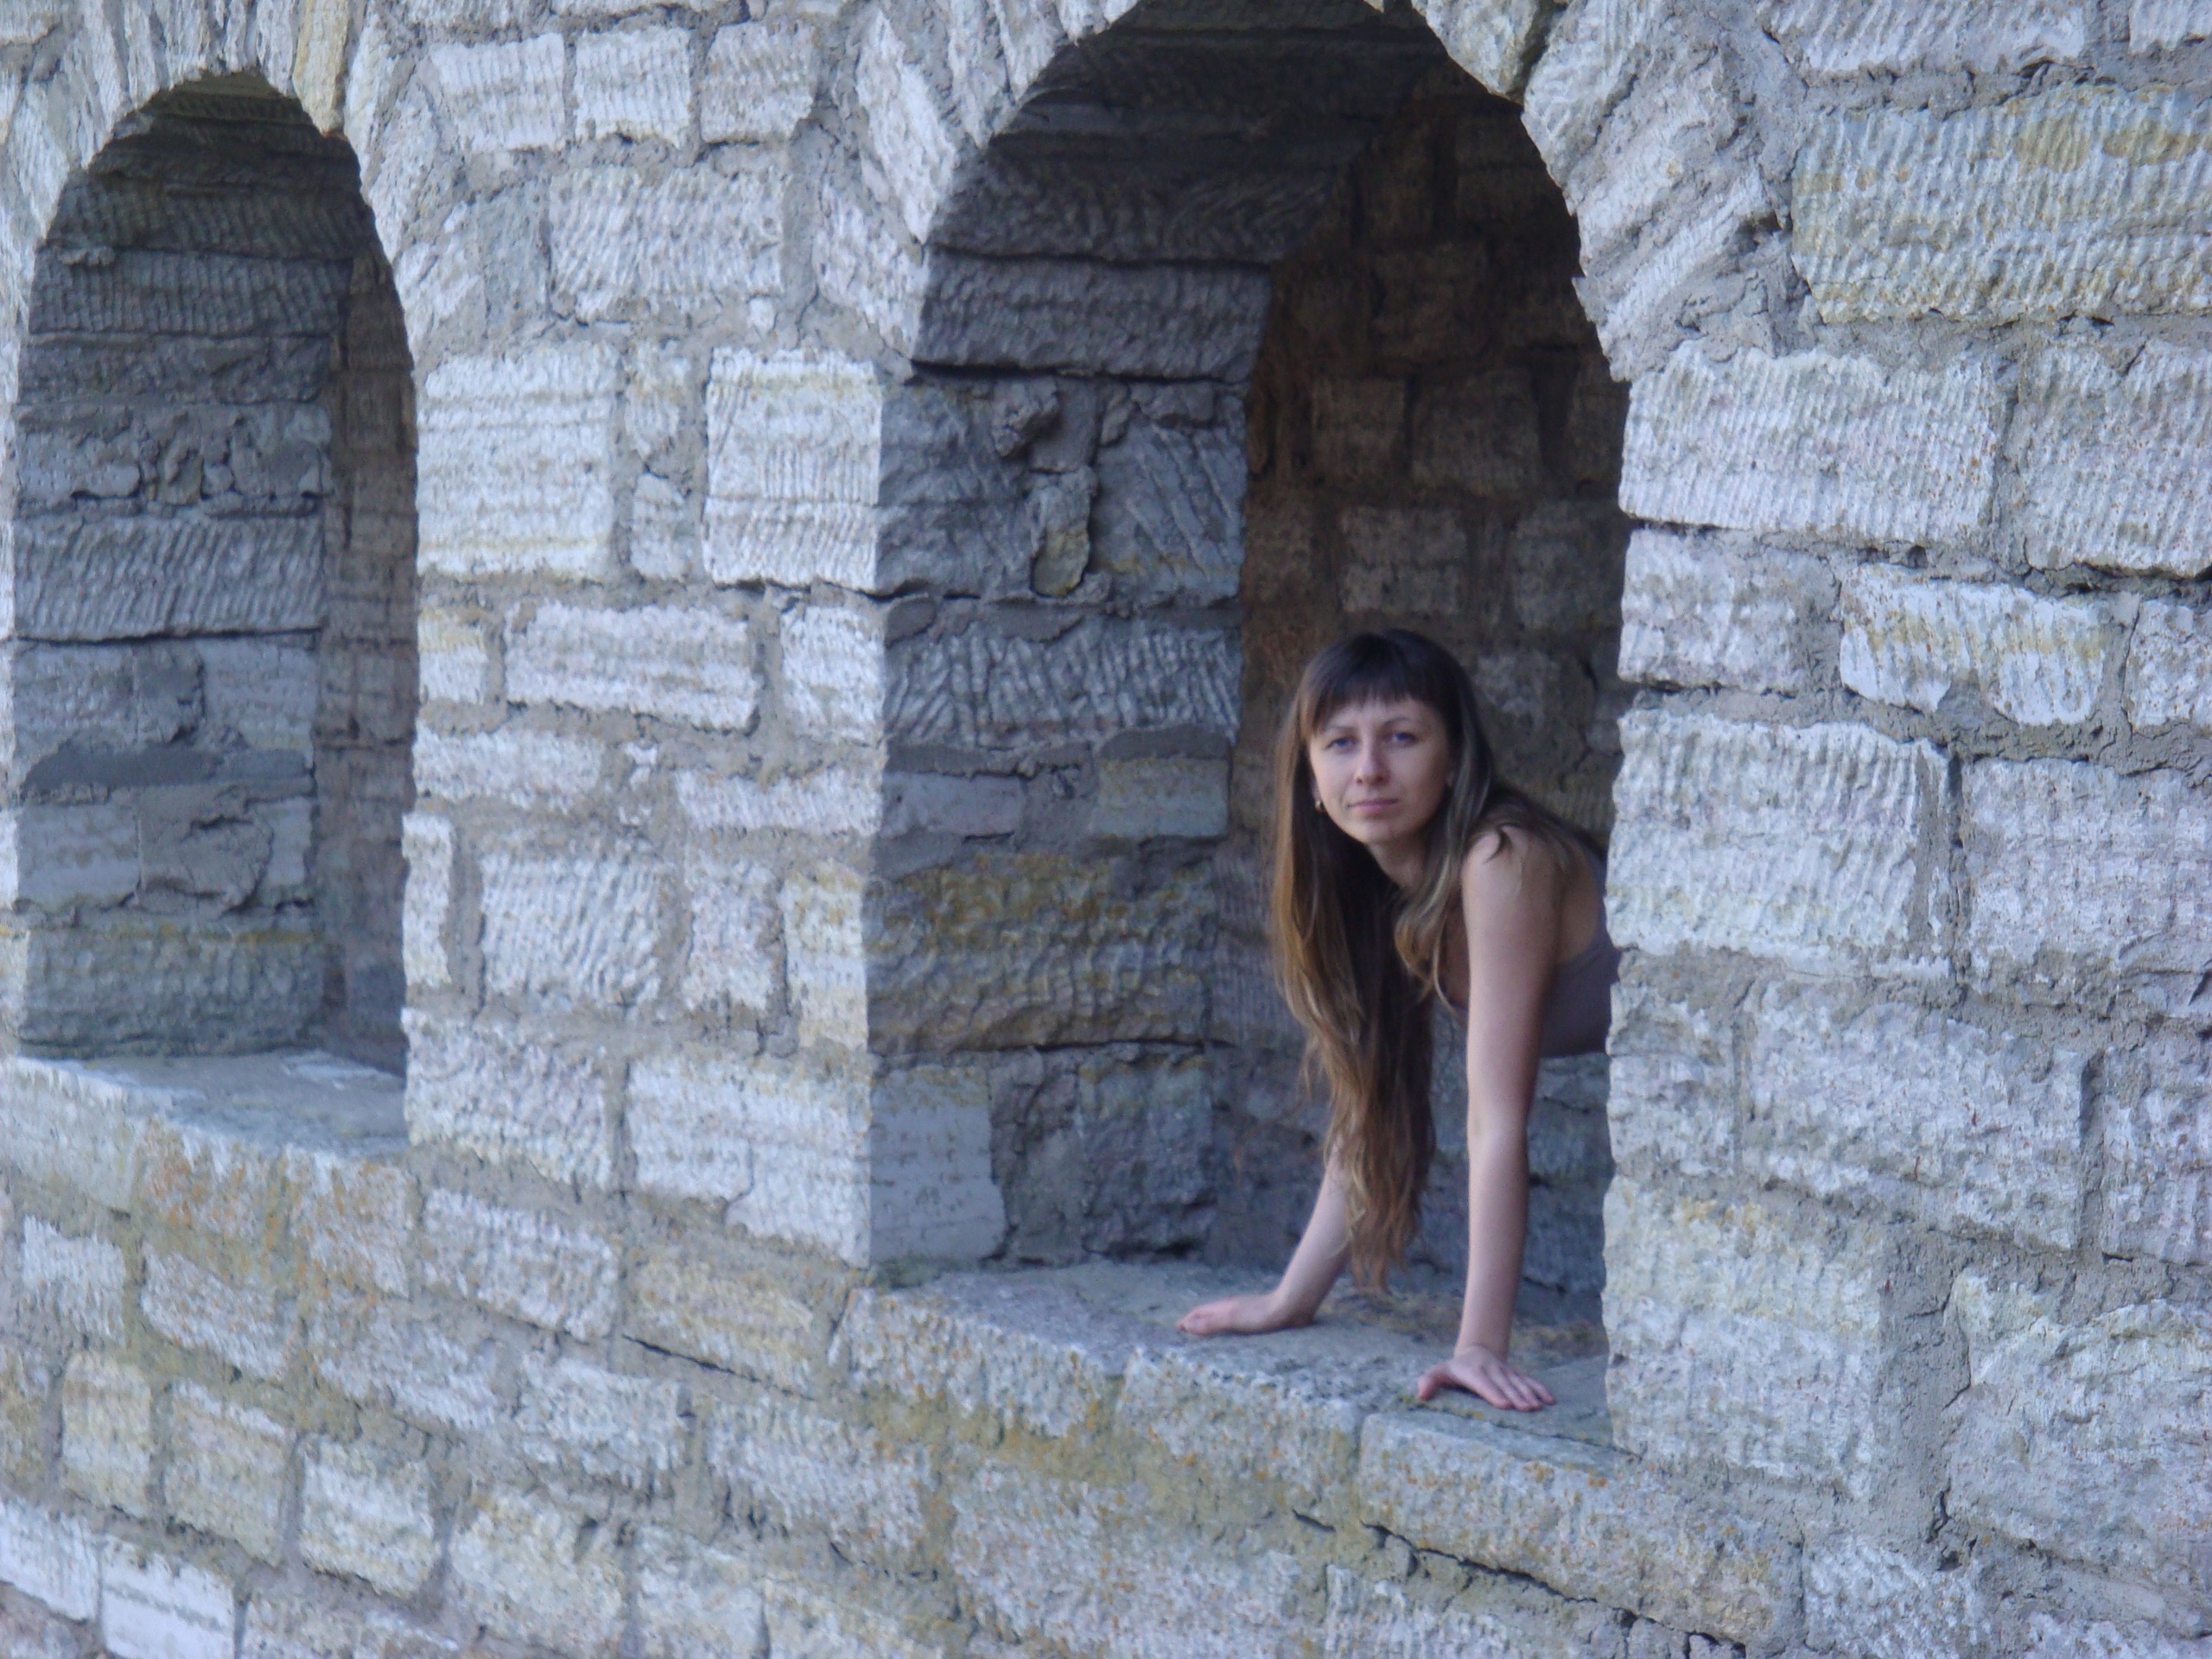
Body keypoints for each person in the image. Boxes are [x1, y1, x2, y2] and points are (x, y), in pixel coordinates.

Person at [1178, 629, 1618, 1412]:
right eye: (1340, 743)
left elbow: (1495, 1119)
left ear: (1455, 760)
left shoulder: (1501, 858)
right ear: (1312, 778)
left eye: (1402, 737)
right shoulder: (1376, 884)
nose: (1369, 769)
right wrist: (1290, 1300)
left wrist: (1479, 1346)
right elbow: (1367, 1103)